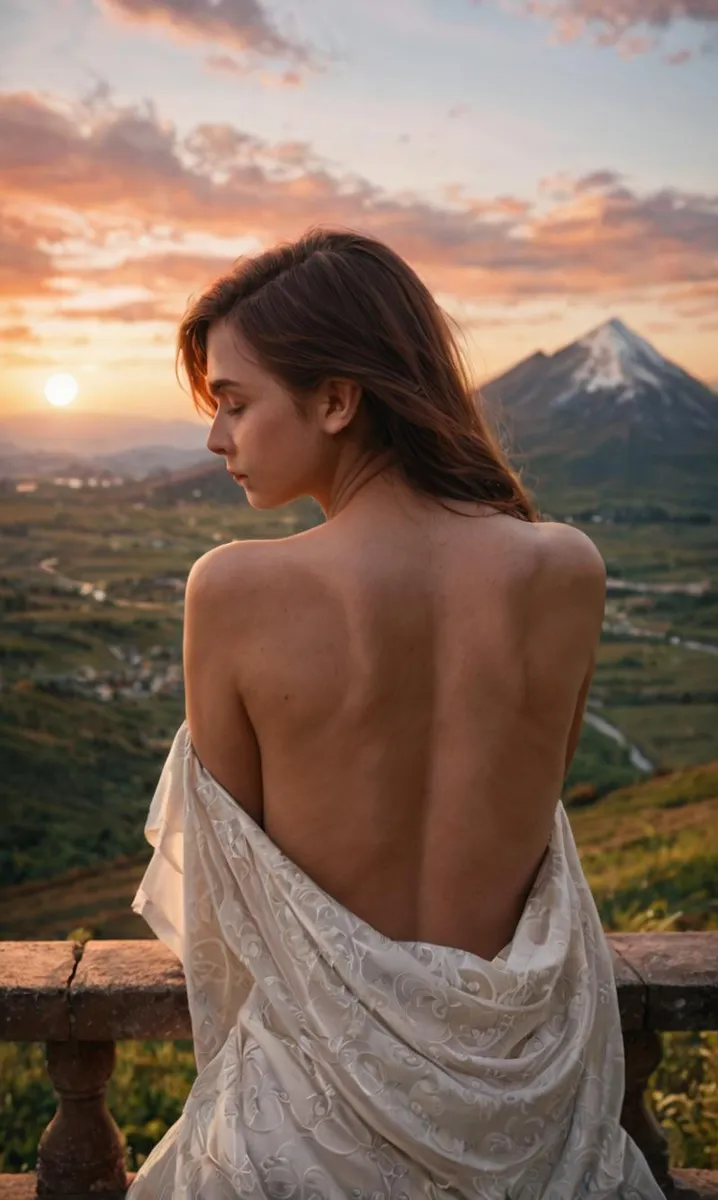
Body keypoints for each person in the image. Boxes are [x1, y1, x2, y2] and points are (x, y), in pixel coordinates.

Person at [127, 228, 664, 1199]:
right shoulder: (567, 569)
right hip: (532, 1127)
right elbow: (536, 810)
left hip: (304, 1131)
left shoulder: (233, 591)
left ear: (336, 399)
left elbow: (233, 898)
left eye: (234, 404)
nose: (216, 440)